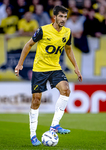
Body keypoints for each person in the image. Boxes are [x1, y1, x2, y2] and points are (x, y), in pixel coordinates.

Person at [14, 5, 82, 146]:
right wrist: (19, 64)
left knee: (66, 90)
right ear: (55, 16)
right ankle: (33, 135)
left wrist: (76, 67)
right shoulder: (43, 30)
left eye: (65, 17)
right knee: (36, 100)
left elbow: (68, 49)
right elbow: (28, 45)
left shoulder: (67, 32)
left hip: (55, 68)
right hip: (39, 69)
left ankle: (54, 125)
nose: (63, 19)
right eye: (61, 16)